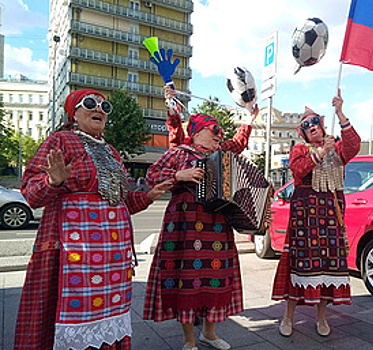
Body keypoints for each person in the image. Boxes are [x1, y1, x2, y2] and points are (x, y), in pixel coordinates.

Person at [13, 89, 173, 350]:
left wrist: (148, 196)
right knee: (69, 315)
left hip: (112, 259)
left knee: (108, 316)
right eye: (90, 103)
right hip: (71, 252)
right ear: (73, 113)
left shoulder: (111, 151)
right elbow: (31, 194)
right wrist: (53, 181)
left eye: (104, 106)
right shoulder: (60, 141)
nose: (99, 109)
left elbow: (117, 201)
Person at [143, 87, 259, 350]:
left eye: (220, 131)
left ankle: (209, 333)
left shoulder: (221, 155)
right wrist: (178, 177)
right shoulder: (179, 153)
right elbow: (151, 177)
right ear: (197, 132)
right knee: (185, 279)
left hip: (216, 226)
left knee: (214, 279)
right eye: (214, 129)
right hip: (183, 225)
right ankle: (189, 340)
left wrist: (249, 119)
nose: (220, 134)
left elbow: (238, 142)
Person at [271, 90, 361, 337]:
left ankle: (321, 318)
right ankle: (287, 316)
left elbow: (354, 144)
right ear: (302, 132)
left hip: (331, 215)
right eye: (306, 126)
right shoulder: (299, 150)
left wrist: (341, 114)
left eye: (315, 123)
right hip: (305, 216)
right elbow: (298, 169)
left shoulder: (337, 147)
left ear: (322, 126)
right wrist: (320, 153)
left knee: (328, 266)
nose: (312, 127)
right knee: (298, 264)